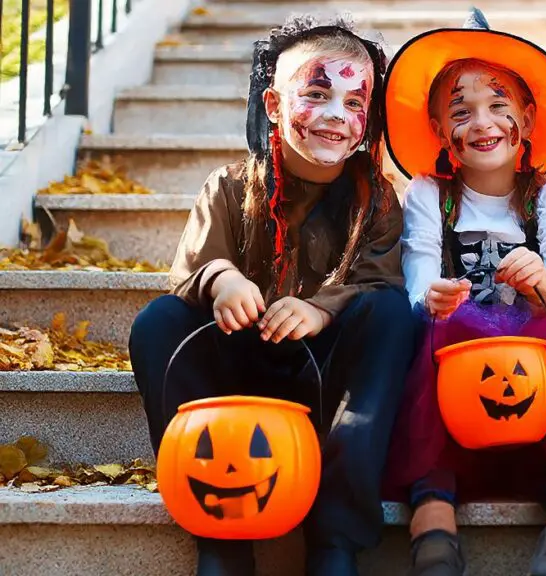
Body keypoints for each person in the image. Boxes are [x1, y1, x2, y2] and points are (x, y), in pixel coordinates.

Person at [128, 15, 415, 576]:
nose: (337, 115)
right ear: (275, 104)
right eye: (316, 93)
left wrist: (320, 307)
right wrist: (222, 278)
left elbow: (381, 278)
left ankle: (334, 536)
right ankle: (221, 533)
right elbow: (189, 269)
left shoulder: (377, 200)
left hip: (325, 384)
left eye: (356, 102)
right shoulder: (232, 186)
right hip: (239, 385)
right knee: (157, 323)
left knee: (389, 313)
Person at [382, 9, 546, 576]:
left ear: (528, 119)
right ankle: (432, 518)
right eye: (461, 112)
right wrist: (432, 297)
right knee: (431, 333)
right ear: (440, 131)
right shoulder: (427, 195)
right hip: (457, 370)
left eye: (498, 107)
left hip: (537, 371)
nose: (481, 123)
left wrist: (544, 284)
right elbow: (416, 278)